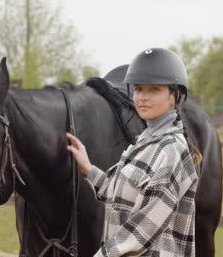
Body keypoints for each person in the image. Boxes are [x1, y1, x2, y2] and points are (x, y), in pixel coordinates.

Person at [66, 48, 200, 256]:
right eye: (138, 89)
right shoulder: (144, 143)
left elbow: (141, 231)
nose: (143, 97)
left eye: (154, 90)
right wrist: (88, 168)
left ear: (174, 96)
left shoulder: (171, 151)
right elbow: (121, 198)